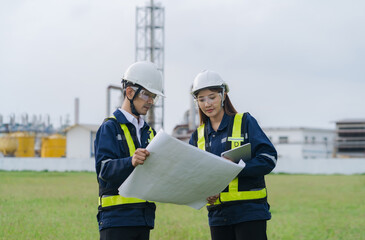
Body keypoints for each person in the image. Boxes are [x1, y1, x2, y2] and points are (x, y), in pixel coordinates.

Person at [189, 70, 277, 240]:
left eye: (212, 97)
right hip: (218, 216)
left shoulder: (245, 122)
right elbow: (195, 176)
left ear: (223, 95)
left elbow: (269, 158)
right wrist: (204, 192)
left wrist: (236, 168)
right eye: (201, 99)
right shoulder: (197, 136)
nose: (207, 103)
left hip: (250, 213)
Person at [94, 61, 164, 240]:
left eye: (153, 96)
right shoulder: (110, 128)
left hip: (143, 218)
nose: (151, 101)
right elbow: (104, 170)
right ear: (130, 92)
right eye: (147, 95)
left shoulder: (149, 132)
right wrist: (130, 161)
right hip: (116, 219)